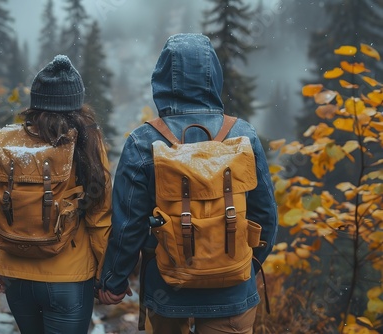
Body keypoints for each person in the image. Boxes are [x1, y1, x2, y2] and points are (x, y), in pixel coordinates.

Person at [98, 33, 278, 334]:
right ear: (214, 77)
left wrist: (113, 282)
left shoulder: (143, 141)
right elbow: (266, 216)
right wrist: (244, 264)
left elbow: (128, 224)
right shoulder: (243, 135)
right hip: (233, 291)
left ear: (162, 78)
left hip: (167, 289)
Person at [0, 55, 112, 334]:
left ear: (34, 102)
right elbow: (99, 215)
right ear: (77, 103)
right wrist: (107, 276)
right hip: (69, 279)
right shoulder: (87, 140)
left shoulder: (7, 140)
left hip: (16, 274)